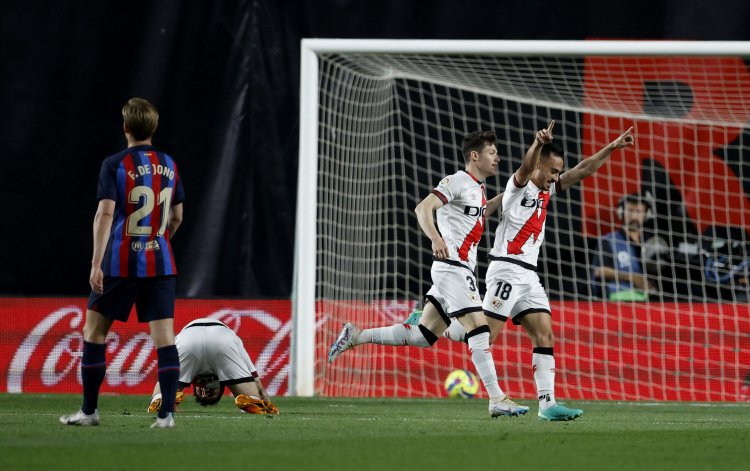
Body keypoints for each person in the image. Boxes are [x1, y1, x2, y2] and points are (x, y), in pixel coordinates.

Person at [328, 129, 555, 418]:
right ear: (475, 156)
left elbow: (484, 211)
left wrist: (513, 194)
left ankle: (357, 335)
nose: (497, 157)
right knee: (480, 329)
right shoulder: (457, 181)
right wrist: (436, 239)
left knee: (423, 335)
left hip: (459, 270)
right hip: (453, 268)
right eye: (492, 152)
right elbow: (423, 208)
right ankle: (497, 398)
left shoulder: (477, 189)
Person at [436, 122, 634, 421]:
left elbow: (582, 171)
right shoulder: (517, 187)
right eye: (552, 171)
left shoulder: (547, 189)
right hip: (506, 270)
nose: (556, 177)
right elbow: (525, 167)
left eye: (557, 172)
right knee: (484, 337)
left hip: (529, 275)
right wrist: (537, 143)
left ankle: (548, 404)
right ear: (538, 165)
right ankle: (440, 326)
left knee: (545, 335)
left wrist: (612, 147)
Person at [60, 98, 184, 429]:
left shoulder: (115, 164)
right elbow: (176, 216)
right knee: (165, 340)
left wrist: (95, 263)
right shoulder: (169, 164)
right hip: (160, 263)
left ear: (125, 127)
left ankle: (89, 412)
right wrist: (158, 240)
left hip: (120, 264)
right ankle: (167, 416)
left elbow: (104, 213)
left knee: (94, 332)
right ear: (153, 127)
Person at [147, 318, 279, 415]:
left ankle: (162, 399)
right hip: (222, 339)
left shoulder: (182, 337)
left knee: (163, 388)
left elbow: (168, 367)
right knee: (253, 399)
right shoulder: (233, 337)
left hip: (189, 338)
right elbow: (255, 378)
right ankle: (252, 401)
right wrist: (265, 400)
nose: (206, 388)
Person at [591, 192, 662, 301]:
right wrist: (632, 278)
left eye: (638, 211)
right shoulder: (608, 240)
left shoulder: (654, 242)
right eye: (630, 211)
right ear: (621, 213)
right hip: (618, 303)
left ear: (646, 214)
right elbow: (599, 271)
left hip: (651, 303)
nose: (633, 216)